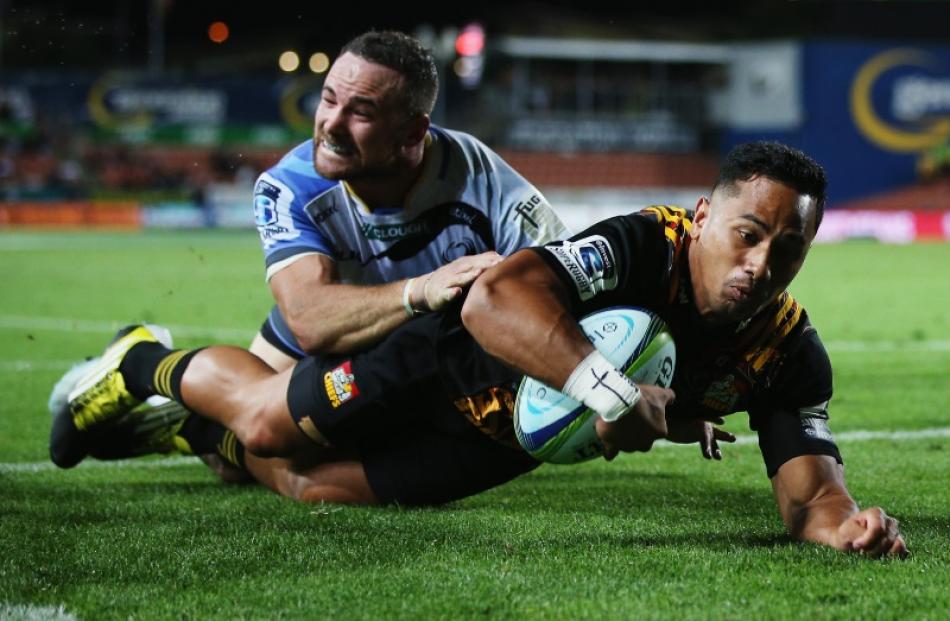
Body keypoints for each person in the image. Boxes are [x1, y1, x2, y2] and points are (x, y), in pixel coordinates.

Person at [50, 141, 907, 557]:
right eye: (747, 235)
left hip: (510, 433)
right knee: (272, 427)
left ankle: (186, 427)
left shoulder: (789, 352)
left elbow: (812, 500)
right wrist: (610, 391)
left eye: (785, 251)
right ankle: (140, 363)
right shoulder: (644, 243)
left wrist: (848, 529)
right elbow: (498, 297)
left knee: (309, 485)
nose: (760, 265)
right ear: (705, 213)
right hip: (449, 353)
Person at [54, 29, 568, 475]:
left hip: (409, 346)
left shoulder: (485, 181)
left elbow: (563, 284)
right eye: (327, 100)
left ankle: (185, 424)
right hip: (336, 322)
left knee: (260, 458)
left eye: (360, 112)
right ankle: (147, 364)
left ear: (414, 132)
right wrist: (422, 289)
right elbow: (310, 320)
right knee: (263, 442)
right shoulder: (289, 185)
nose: (331, 124)